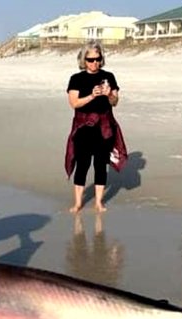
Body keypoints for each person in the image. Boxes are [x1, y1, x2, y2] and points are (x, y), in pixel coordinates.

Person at [65, 40, 128, 213]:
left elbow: (115, 102)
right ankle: (78, 202)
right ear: (83, 60)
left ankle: (99, 202)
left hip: (104, 126)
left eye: (97, 59)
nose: (94, 63)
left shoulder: (109, 76)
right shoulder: (76, 78)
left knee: (101, 164)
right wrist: (92, 96)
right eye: (90, 59)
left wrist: (109, 95)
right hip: (84, 127)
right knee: (83, 164)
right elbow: (74, 103)